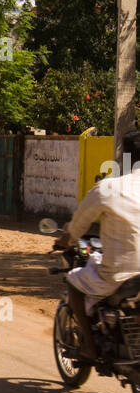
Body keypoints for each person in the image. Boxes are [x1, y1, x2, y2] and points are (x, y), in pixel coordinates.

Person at [52, 129, 140, 362]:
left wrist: (64, 241)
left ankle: (90, 348)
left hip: (120, 275)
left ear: (126, 157)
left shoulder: (108, 189)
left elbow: (77, 226)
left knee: (74, 283)